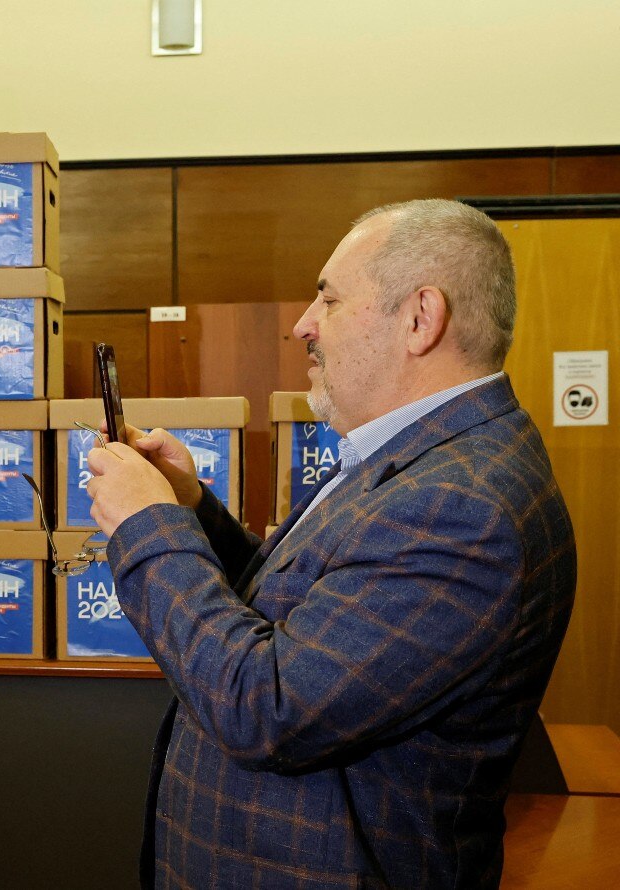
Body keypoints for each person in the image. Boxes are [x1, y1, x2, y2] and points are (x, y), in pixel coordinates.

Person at [86, 198, 576, 889]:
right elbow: (305, 617)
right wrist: (191, 509)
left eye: (330, 300)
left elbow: (266, 706)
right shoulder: (419, 458)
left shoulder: (463, 507)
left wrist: (145, 526)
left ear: (420, 319)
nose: (302, 325)